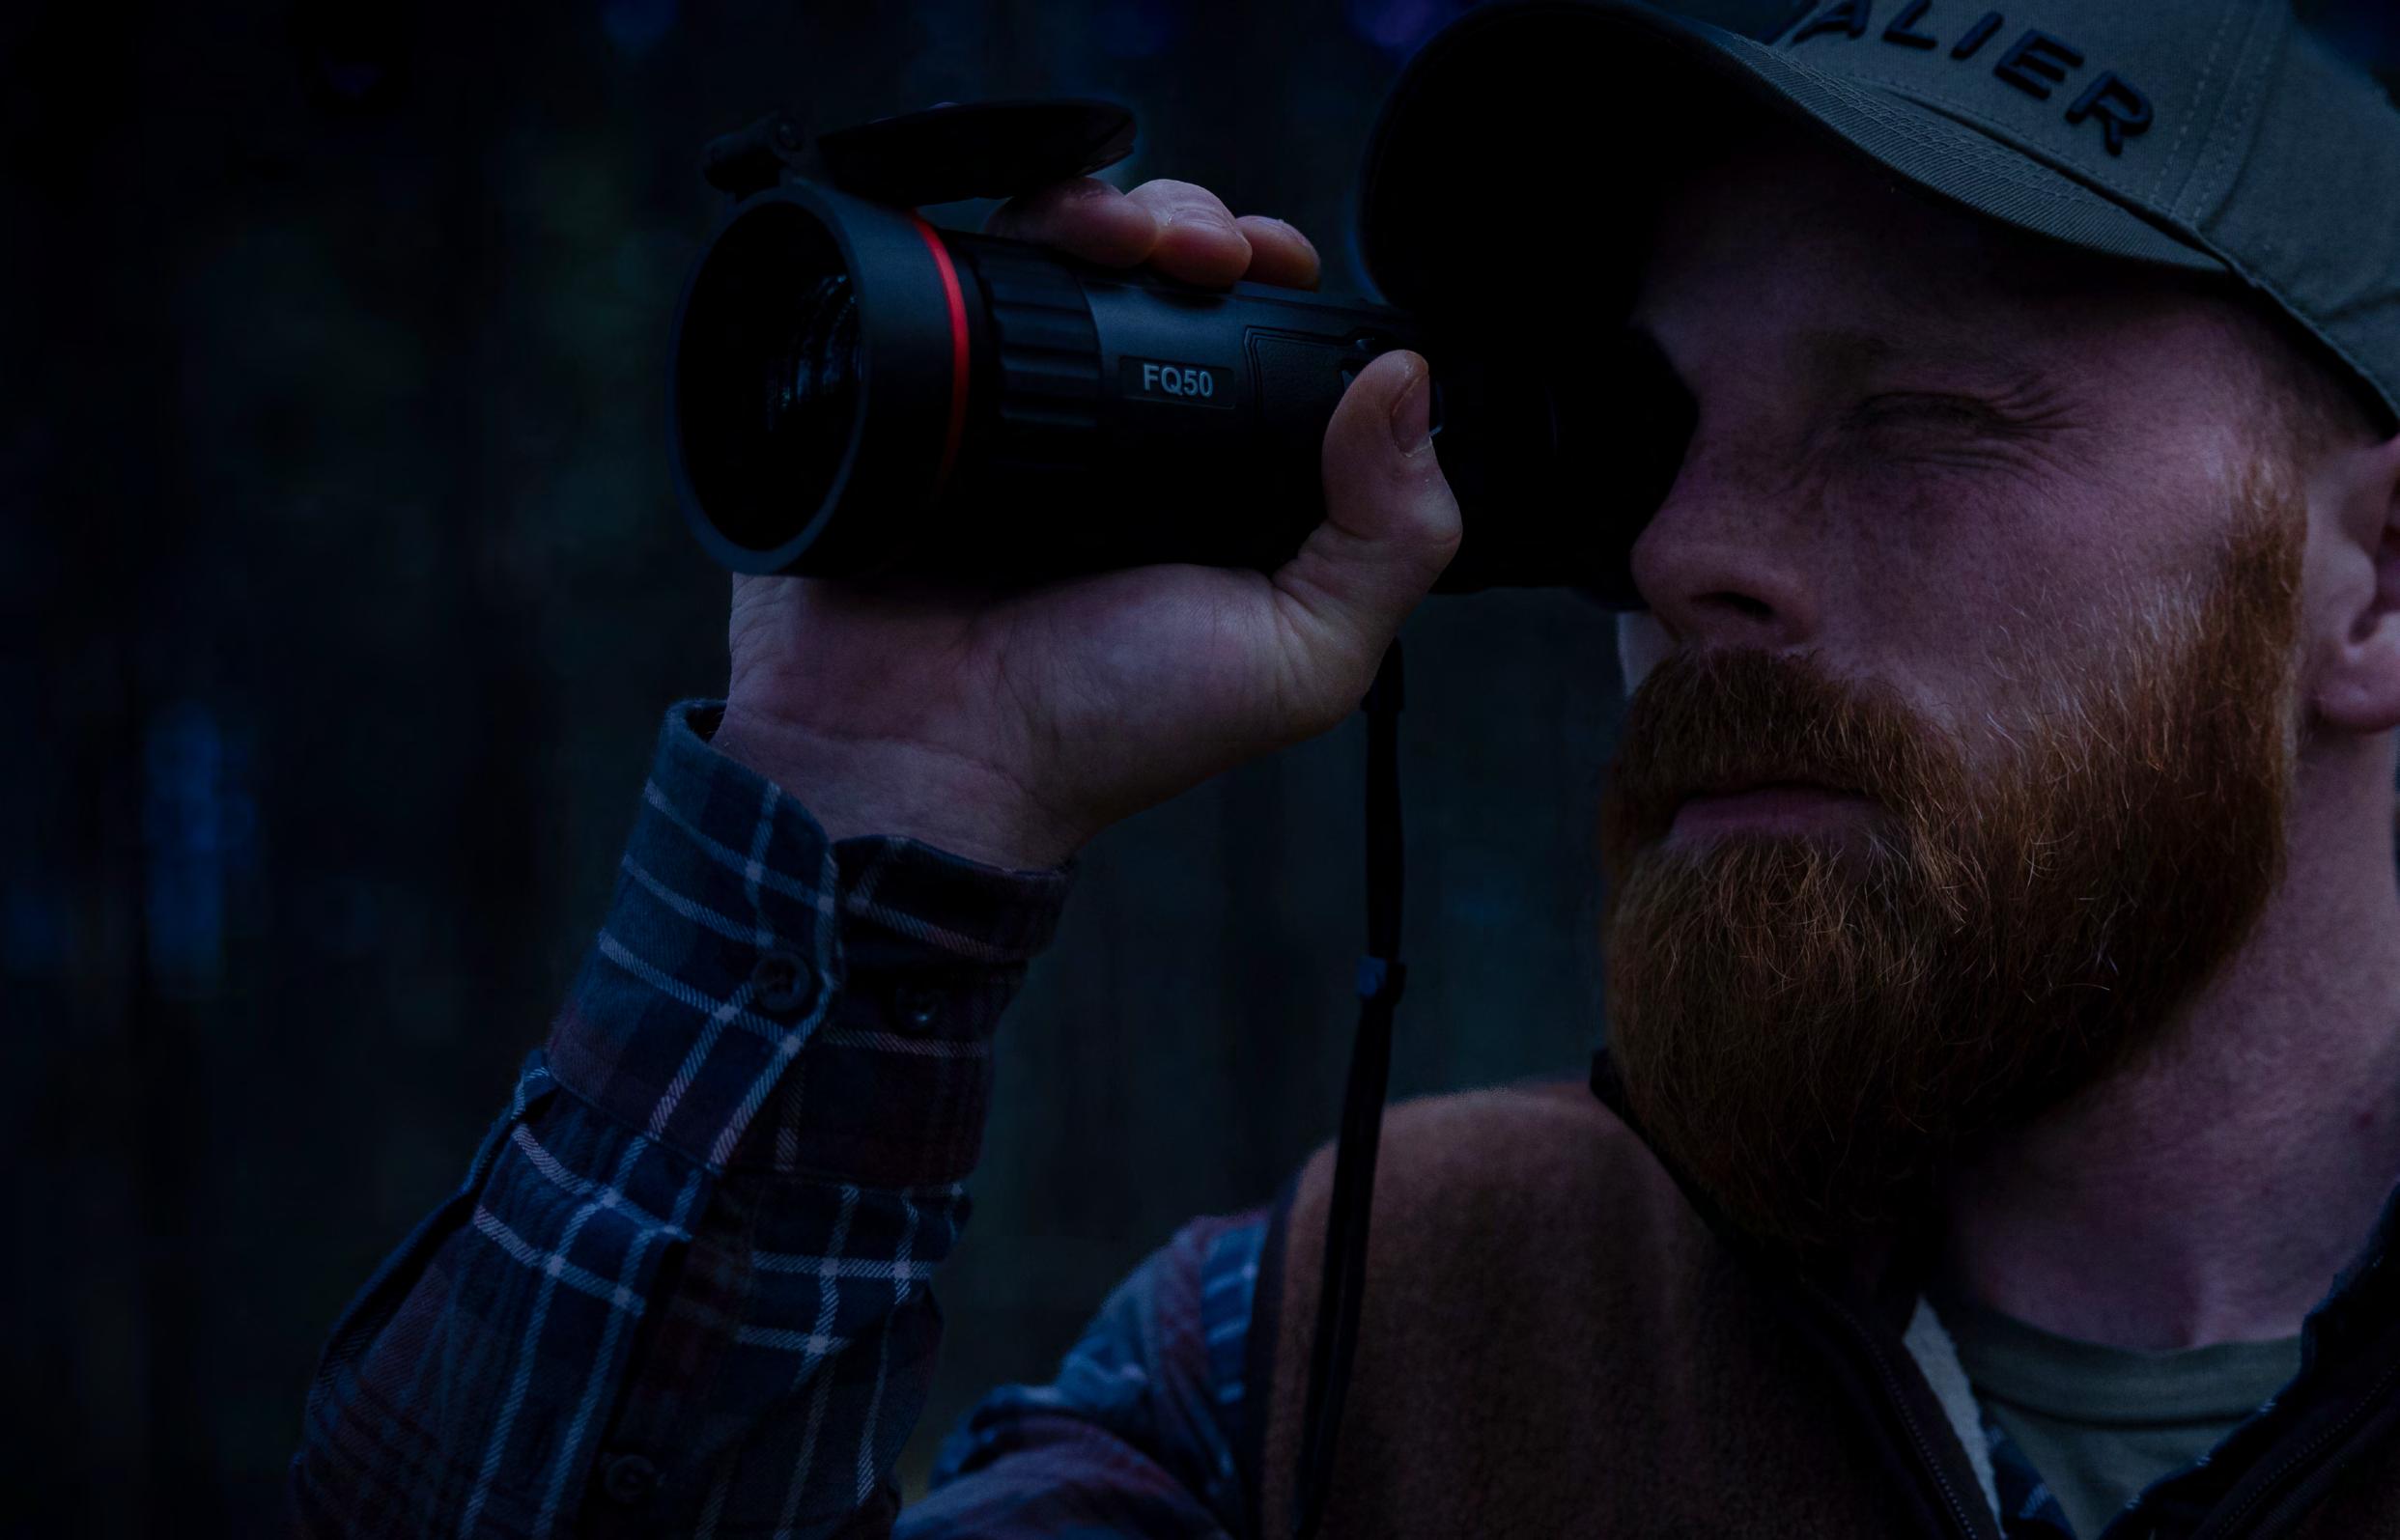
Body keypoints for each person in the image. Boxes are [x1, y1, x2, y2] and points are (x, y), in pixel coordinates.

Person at [290, 2, 2400, 1536]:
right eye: (1644, 439)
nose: (1679, 553)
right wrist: (867, 800)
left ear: (2378, 586)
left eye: (1916, 415)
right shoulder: (1350, 1347)